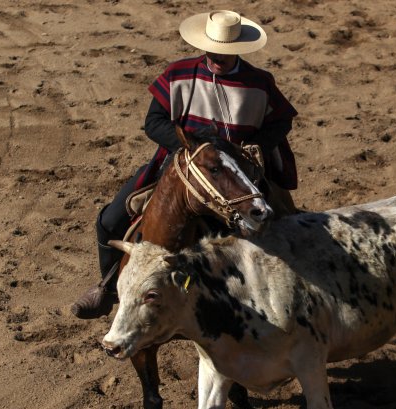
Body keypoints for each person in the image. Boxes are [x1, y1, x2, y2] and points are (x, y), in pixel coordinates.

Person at [71, 10, 299, 319]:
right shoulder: (178, 74)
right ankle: (109, 288)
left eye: (226, 52)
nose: (218, 56)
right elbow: (153, 122)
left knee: (281, 226)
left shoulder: (259, 83)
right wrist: (192, 149)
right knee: (110, 221)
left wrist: (257, 145)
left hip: (235, 176)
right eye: (214, 49)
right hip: (182, 168)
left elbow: (281, 120)